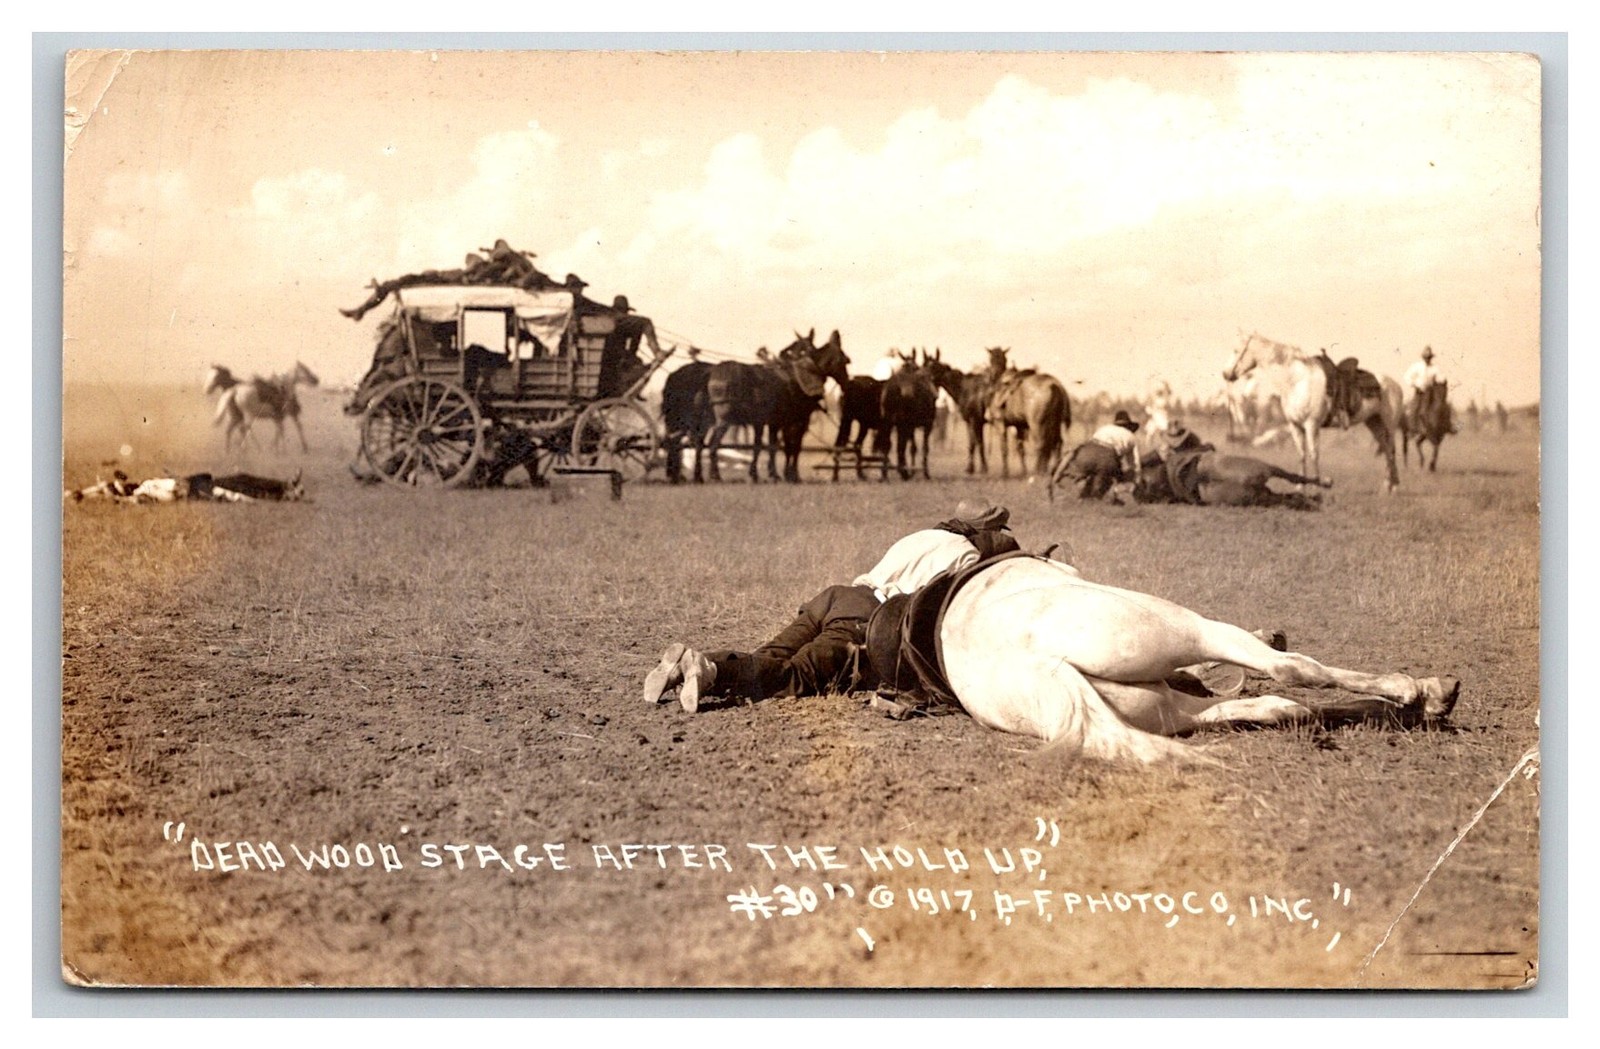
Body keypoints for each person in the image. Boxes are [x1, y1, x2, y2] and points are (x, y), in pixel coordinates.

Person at [641, 499, 1022, 712]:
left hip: (836, 596)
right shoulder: (967, 558)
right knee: (799, 677)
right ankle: (711, 672)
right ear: (985, 531)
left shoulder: (925, 535)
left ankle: (691, 664)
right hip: (868, 618)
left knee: (771, 655)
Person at [1055, 410, 1143, 500]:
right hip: (1108, 457)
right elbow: (1134, 463)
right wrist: (1137, 479)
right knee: (1104, 482)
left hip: (1088, 451)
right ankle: (1100, 494)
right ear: (1129, 426)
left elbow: (1092, 442)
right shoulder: (1131, 437)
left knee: (1083, 474)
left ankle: (1076, 491)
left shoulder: (1105, 428)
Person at [595, 295, 666, 398]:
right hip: (614, 363)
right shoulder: (618, 321)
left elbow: (633, 341)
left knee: (637, 363)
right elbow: (644, 324)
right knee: (646, 322)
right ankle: (657, 352)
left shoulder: (618, 324)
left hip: (614, 361)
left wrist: (631, 355)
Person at [1402, 346, 1456, 434]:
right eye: (1426, 357)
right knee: (1414, 409)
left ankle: (1447, 425)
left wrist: (1442, 379)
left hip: (1431, 392)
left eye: (1429, 357)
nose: (1428, 359)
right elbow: (1407, 377)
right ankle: (1413, 428)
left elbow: (1440, 377)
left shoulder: (1434, 368)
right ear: (1423, 357)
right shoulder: (1417, 366)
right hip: (1420, 392)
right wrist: (1415, 384)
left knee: (1443, 406)